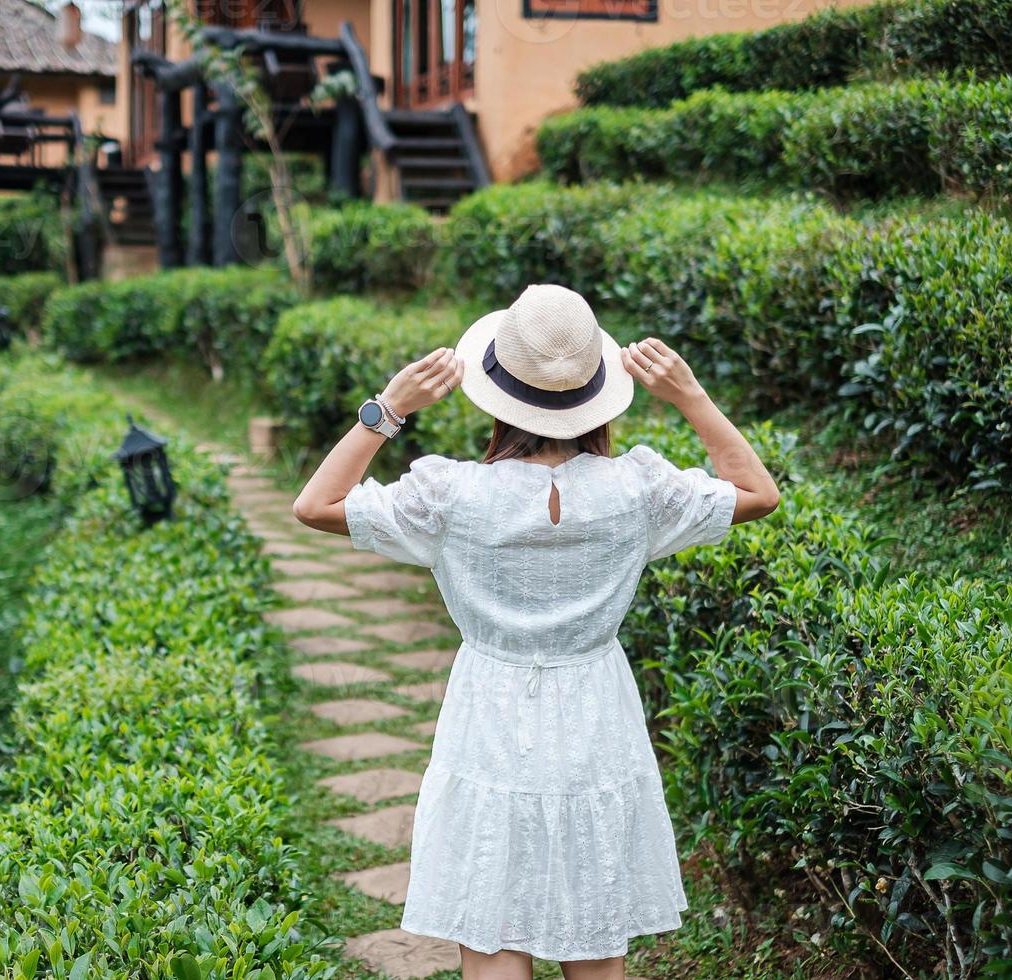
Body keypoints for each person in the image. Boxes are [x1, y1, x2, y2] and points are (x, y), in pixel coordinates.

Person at [292, 284, 781, 980]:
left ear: (496, 390)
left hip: (487, 711)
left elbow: (316, 505)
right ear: (598, 390)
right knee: (594, 937)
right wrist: (690, 397)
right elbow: (759, 493)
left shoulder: (450, 496)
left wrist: (387, 410)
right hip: (598, 712)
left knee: (492, 924)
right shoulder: (638, 490)